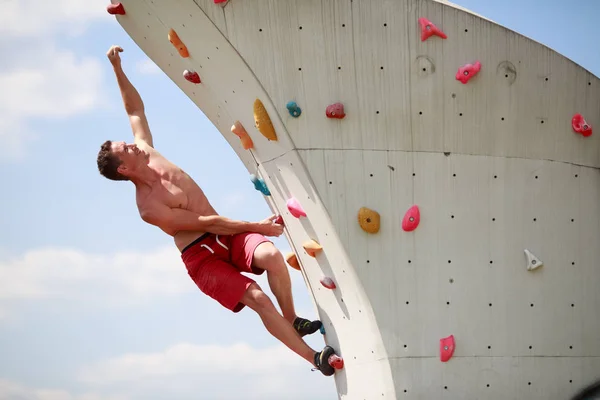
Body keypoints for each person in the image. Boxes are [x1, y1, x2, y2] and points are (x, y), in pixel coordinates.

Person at [96, 45, 339, 376]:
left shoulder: (147, 151)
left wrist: (117, 68)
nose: (129, 143)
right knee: (256, 298)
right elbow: (205, 222)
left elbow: (134, 109)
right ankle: (315, 358)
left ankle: (291, 319)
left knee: (272, 257)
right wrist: (256, 225)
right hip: (203, 257)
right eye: (123, 148)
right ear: (123, 169)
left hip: (225, 236)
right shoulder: (149, 207)